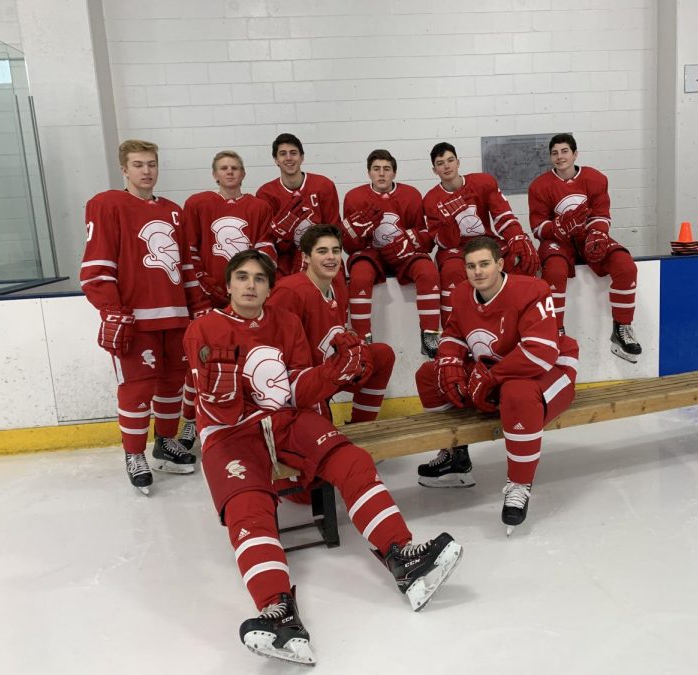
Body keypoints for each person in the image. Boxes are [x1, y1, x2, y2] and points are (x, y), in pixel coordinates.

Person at [183, 249, 462, 664]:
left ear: (268, 286)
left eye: (259, 279)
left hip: (287, 419)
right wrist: (223, 391)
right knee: (248, 506)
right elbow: (219, 406)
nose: (250, 285)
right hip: (230, 433)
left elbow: (297, 388)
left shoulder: (285, 322)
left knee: (353, 461)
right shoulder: (203, 328)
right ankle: (278, 610)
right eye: (242, 277)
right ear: (228, 285)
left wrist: (333, 372)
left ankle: (403, 559)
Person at [414, 237, 579, 534]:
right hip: (498, 367)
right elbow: (454, 334)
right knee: (430, 374)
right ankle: (455, 458)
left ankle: (519, 484)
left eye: (484, 264)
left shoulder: (532, 290)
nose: (478, 272)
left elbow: (541, 352)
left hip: (552, 368)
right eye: (471, 266)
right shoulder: (464, 293)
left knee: (516, 393)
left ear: (500, 264)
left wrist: (490, 377)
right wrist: (449, 361)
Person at [81, 139, 208, 494]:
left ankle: (164, 442)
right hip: (136, 320)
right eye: (138, 165)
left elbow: (185, 266)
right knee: (137, 388)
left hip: (176, 318)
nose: (146, 171)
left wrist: (198, 307)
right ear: (124, 169)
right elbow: (96, 268)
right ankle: (133, 454)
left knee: (171, 385)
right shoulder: (107, 205)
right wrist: (112, 311)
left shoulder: (173, 211)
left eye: (151, 164)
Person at [179, 150, 276, 449]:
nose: (230, 172)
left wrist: (254, 283)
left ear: (243, 173)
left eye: (235, 168)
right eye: (224, 168)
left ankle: (241, 416)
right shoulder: (198, 204)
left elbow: (265, 251)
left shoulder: (258, 206)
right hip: (209, 297)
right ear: (215, 174)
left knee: (241, 357)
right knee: (199, 362)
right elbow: (189, 249)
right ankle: (190, 420)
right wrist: (202, 285)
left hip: (243, 295)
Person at [527, 133, 642, 362]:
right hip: (558, 241)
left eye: (564, 151)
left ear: (575, 153)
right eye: (555, 153)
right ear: (550, 157)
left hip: (588, 236)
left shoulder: (595, 179)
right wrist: (557, 227)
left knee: (625, 267)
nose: (560, 157)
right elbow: (538, 228)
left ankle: (622, 328)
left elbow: (601, 214)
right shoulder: (540, 186)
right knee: (554, 271)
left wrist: (597, 233)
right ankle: (556, 330)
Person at [267, 224, 395, 426]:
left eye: (336, 251)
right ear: (306, 257)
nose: (331, 257)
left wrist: (354, 351)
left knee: (381, 355)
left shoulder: (337, 285)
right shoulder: (290, 291)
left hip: (329, 372)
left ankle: (363, 428)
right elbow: (272, 351)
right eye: (322, 251)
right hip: (299, 383)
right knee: (323, 444)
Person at [423, 141, 539, 328]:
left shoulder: (482, 182)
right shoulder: (431, 199)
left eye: (450, 160)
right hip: (455, 247)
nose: (446, 166)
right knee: (452, 270)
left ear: (458, 162)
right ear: (434, 170)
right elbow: (443, 242)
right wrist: (448, 223)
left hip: (485, 241)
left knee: (522, 256)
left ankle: (524, 323)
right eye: (440, 163)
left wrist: (517, 236)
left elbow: (502, 215)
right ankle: (453, 332)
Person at [342, 149, 441, 357]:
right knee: (359, 276)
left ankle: (429, 335)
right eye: (376, 169)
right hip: (371, 254)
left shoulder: (411, 194)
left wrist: (409, 241)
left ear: (394, 173)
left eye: (386, 169)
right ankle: (363, 339)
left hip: (403, 254)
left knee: (428, 271)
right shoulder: (354, 197)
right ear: (369, 172)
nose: (381, 174)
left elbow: (425, 235)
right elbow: (349, 247)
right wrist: (356, 233)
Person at [255, 133, 341, 280]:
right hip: (284, 260)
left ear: (302, 157)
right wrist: (283, 236)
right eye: (283, 154)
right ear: (276, 160)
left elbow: (335, 231)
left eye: (293, 153)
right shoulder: (266, 193)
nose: (288, 158)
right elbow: (268, 242)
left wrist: (315, 255)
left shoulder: (323, 185)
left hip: (322, 255)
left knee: (337, 291)